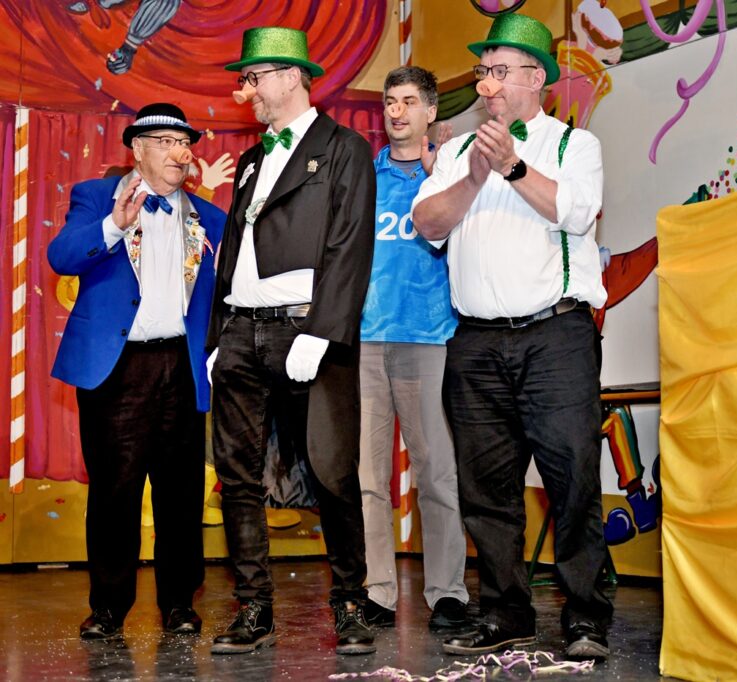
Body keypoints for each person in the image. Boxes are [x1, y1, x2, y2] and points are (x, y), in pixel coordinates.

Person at [412, 12, 613, 661]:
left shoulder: (574, 145)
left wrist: (514, 167)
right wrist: (476, 175)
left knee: (573, 476)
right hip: (474, 343)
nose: (487, 84)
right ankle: (506, 613)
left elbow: (577, 212)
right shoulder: (455, 154)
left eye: (500, 71)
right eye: (483, 71)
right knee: (486, 489)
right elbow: (427, 224)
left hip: (555, 337)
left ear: (536, 78)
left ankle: (585, 616)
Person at [206, 27, 376, 655]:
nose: (244, 89)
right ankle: (253, 609)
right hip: (242, 329)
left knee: (331, 471)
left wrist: (323, 330)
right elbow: (233, 251)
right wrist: (220, 334)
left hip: (307, 329)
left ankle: (351, 603)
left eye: (253, 77)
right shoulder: (252, 159)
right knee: (238, 475)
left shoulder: (344, 148)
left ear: (290, 76)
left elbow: (350, 247)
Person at [48, 102, 225, 639]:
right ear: (138, 149)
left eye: (184, 142)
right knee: (114, 492)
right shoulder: (96, 197)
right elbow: (62, 256)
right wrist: (114, 226)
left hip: (181, 366)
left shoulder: (210, 217)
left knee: (181, 495)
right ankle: (107, 608)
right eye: (167, 142)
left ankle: (179, 604)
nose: (180, 152)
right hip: (117, 367)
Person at [357, 65, 470, 632]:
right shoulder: (362, 178)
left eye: (408, 101)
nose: (396, 112)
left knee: (437, 471)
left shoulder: (448, 175)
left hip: (428, 335)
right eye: (389, 102)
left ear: (431, 111)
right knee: (368, 476)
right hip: (364, 339)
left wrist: (438, 172)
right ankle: (377, 591)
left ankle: (448, 591)